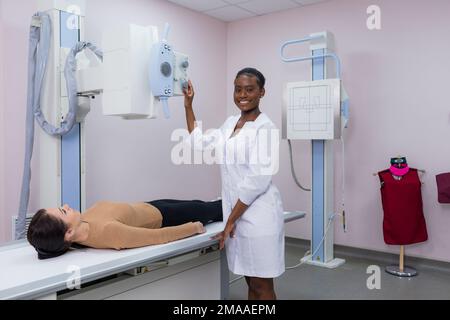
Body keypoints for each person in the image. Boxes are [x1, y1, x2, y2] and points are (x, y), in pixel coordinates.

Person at [183, 68, 284, 300]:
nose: (242, 95)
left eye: (249, 89)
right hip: (238, 213)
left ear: (262, 92)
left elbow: (256, 182)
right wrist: (188, 105)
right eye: (238, 89)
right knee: (249, 280)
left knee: (261, 285)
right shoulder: (230, 123)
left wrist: (229, 220)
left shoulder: (265, 128)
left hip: (258, 216)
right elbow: (199, 143)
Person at [27, 199, 223, 260]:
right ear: (68, 233)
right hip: (166, 216)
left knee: (209, 204)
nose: (67, 205)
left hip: (151, 206)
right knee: (217, 209)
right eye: (63, 211)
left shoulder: (80, 226)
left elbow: (48, 247)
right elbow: (158, 237)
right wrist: (193, 227)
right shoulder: (109, 233)